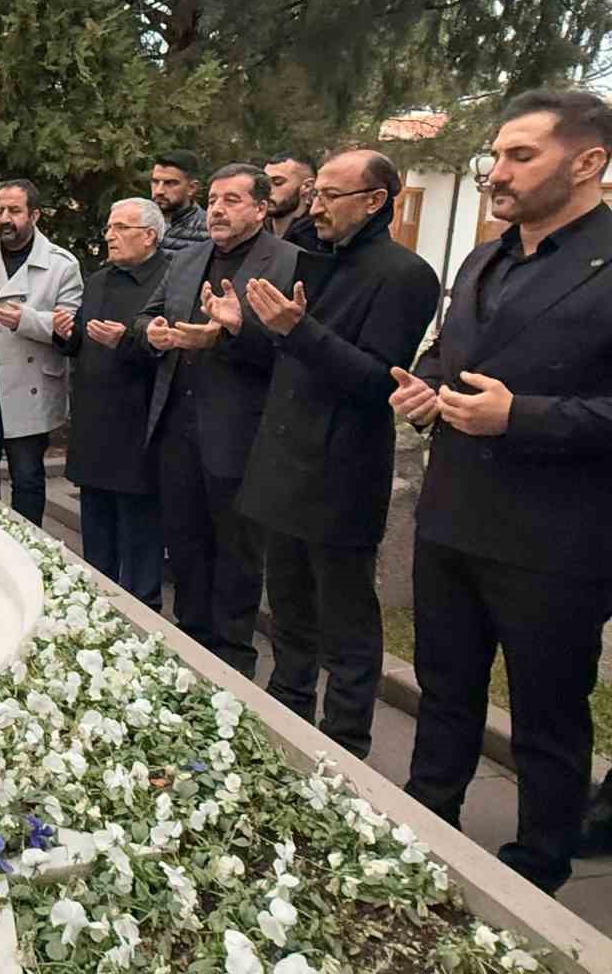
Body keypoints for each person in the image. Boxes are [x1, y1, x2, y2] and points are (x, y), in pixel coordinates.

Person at [388, 89, 612, 894]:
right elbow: (450, 355)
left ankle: (535, 871)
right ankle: (424, 830)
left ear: (588, 163)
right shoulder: (484, 258)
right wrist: (425, 387)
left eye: (521, 155)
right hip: (452, 519)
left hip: (555, 541)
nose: (496, 171)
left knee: (547, 720)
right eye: (495, 155)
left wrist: (521, 416)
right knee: (444, 693)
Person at [236, 150, 440, 758]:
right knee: (288, 612)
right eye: (314, 194)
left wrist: (298, 330)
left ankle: (345, 742)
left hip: (340, 472)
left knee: (345, 622)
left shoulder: (405, 274)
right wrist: (250, 327)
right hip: (283, 463)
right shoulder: (313, 256)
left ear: (375, 201)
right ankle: (286, 720)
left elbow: (378, 380)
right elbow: (288, 355)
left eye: (329, 195)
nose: (315, 206)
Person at [138, 163, 299, 678]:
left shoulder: (289, 262)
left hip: (240, 435)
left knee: (236, 556)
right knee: (185, 547)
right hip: (177, 430)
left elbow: (294, 350)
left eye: (232, 200)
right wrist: (154, 332)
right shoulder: (187, 258)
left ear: (261, 207)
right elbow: (149, 313)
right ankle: (190, 650)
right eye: (212, 200)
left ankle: (233, 664)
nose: (217, 210)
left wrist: (232, 332)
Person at [52, 197, 171, 609]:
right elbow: (83, 342)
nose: (110, 235)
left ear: (149, 236)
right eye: (109, 227)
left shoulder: (171, 278)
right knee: (97, 523)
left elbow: (171, 349)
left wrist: (127, 340)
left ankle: (143, 608)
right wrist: (67, 334)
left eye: (121, 228)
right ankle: (98, 603)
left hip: (140, 421)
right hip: (94, 421)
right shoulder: (99, 280)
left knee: (139, 525)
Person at [0, 179, 82, 526]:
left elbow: (69, 326)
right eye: (0, 211)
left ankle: (27, 546)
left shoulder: (61, 264)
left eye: (15, 211)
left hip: (29, 385)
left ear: (34, 215)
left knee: (27, 477)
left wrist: (27, 320)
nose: (5, 218)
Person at [150, 151, 209, 254]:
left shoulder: (209, 231)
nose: (159, 191)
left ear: (192, 188)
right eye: (155, 182)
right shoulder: (138, 222)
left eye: (169, 183)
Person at [264, 152, 323, 252]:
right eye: (265, 183)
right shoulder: (253, 232)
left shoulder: (320, 238)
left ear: (307, 186)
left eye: (277, 182)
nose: (268, 190)